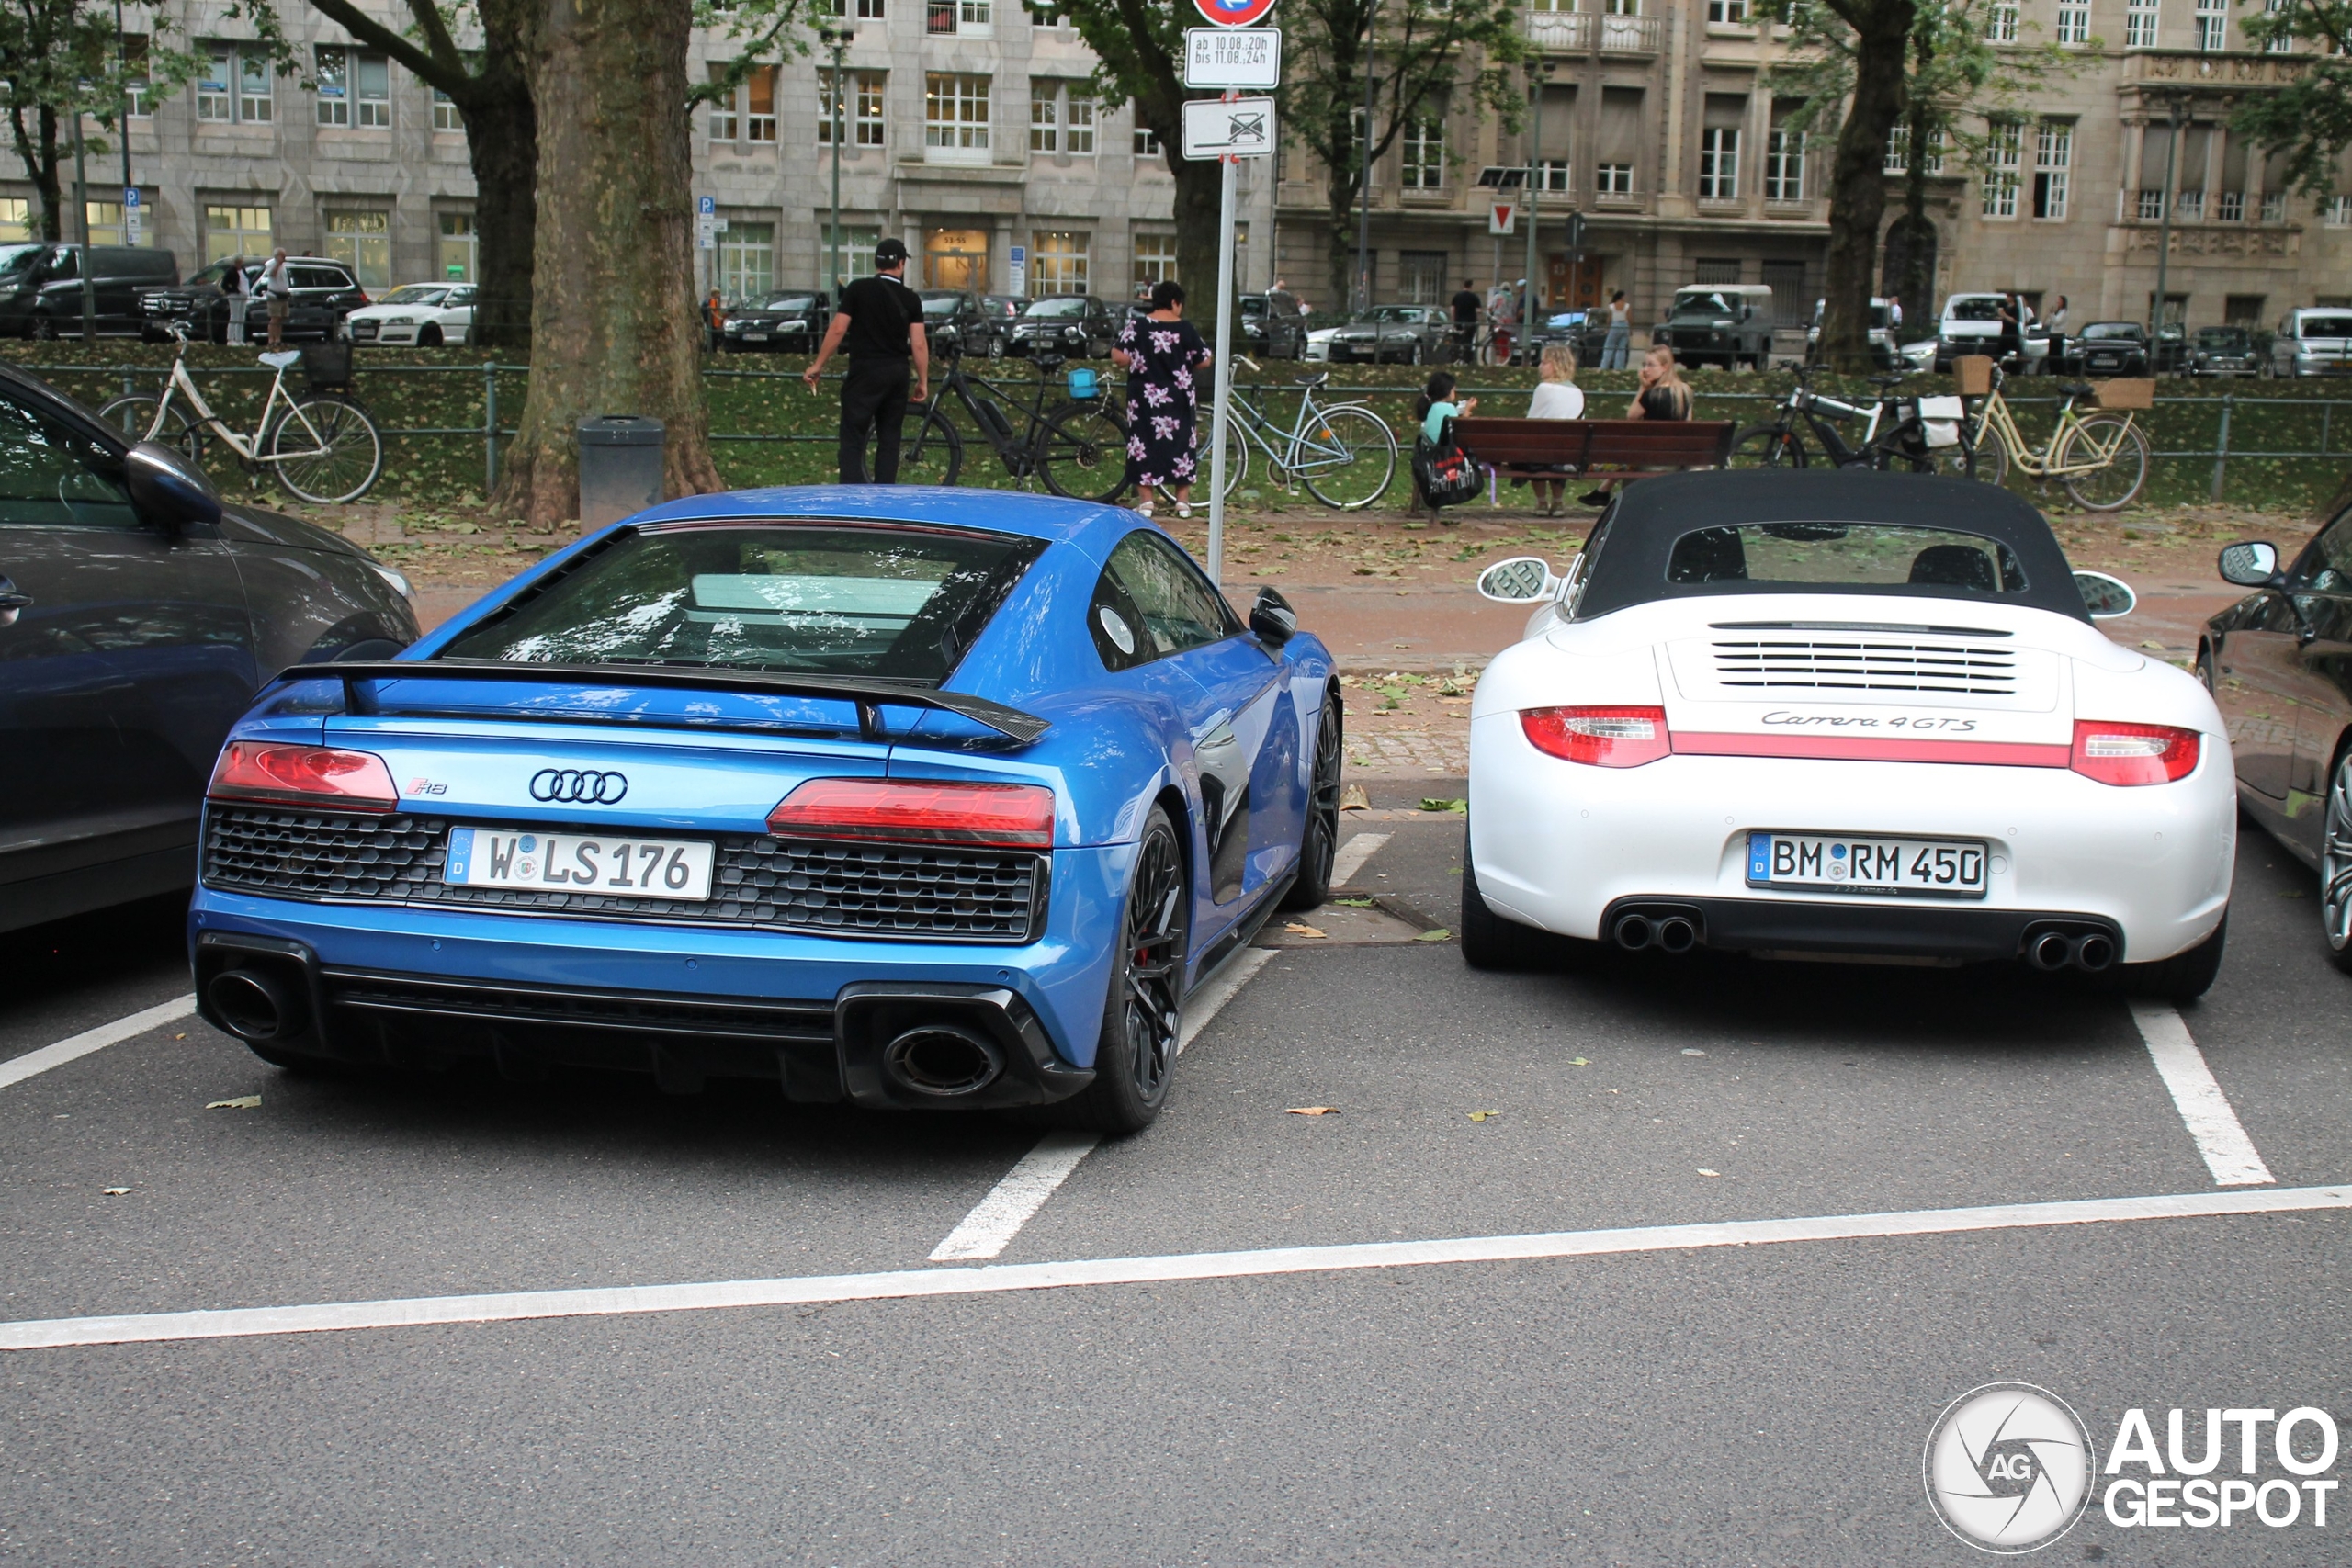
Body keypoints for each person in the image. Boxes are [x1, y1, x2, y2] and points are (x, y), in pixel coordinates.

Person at [801, 236, 930, 484]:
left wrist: (818, 364)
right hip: (897, 372)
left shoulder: (857, 290)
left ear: (876, 263)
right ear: (901, 264)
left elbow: (838, 329)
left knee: (853, 436)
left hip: (865, 371)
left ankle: (851, 496)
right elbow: (919, 343)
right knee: (890, 439)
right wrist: (922, 380)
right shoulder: (911, 299)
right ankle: (883, 498)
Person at [1112, 279, 1212, 519]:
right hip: (1178, 397)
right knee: (1181, 444)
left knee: (1143, 443)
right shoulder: (1186, 329)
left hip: (1145, 398)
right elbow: (1204, 360)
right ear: (1175, 303)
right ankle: (1183, 502)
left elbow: (1118, 356)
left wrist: (1138, 358)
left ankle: (1147, 502)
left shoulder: (1138, 326)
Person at [1583, 344, 1687, 506]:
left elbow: (1631, 416)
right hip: (1676, 456)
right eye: (1644, 364)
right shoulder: (1684, 392)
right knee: (1629, 450)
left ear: (1665, 367)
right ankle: (1603, 491)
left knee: (1626, 451)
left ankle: (1602, 490)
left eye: (1651, 365)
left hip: (1651, 457)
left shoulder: (1652, 395)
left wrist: (1643, 388)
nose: (1645, 369)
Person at [1523, 343, 1585, 516]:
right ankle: (1558, 502)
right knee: (1556, 452)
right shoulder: (1577, 391)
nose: (1539, 366)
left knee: (1534, 451)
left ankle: (1541, 501)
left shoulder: (1544, 389)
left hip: (1540, 452)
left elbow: (1530, 422)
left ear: (1556, 365)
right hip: (1568, 453)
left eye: (1544, 362)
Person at [262, 248, 291, 350]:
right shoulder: (272, 264)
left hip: (283, 295)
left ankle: (278, 339)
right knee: (274, 317)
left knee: (280, 318)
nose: (284, 258)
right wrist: (277, 264)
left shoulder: (284, 266)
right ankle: (271, 339)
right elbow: (272, 274)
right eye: (282, 256)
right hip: (274, 295)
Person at [1600, 288, 1632, 370]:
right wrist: (1630, 329)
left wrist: (1607, 328)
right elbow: (1630, 318)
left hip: (1615, 325)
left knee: (1609, 346)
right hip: (1625, 326)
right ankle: (1619, 367)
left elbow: (1609, 319)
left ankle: (1604, 366)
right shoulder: (1627, 306)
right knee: (1621, 348)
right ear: (1621, 296)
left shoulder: (1612, 306)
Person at [1450, 277, 1482, 362]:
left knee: (1458, 340)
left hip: (1459, 322)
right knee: (1469, 341)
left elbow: (1453, 309)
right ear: (1471, 286)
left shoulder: (1457, 296)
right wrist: (1479, 319)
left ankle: (1456, 358)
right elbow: (1479, 311)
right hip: (1470, 323)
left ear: (1464, 285)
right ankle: (1467, 360)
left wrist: (1454, 321)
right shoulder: (1474, 297)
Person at [220, 255, 247, 346]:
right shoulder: (230, 271)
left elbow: (245, 281)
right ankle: (230, 338)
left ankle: (239, 338)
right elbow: (224, 284)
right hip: (234, 295)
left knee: (241, 317)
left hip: (243, 294)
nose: (239, 264)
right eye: (238, 262)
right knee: (234, 316)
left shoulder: (243, 270)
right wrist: (232, 289)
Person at [2046, 294, 2069, 373]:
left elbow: (2057, 321)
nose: (2057, 302)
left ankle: (2058, 371)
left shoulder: (2064, 312)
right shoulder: (2058, 311)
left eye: (2059, 301)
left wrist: (2052, 315)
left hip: (2058, 335)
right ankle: (2052, 371)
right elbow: (2052, 321)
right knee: (2051, 354)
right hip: (2053, 334)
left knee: (2056, 354)